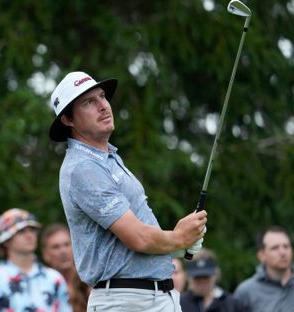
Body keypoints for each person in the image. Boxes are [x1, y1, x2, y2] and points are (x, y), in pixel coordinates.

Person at [49, 71, 208, 311]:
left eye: (102, 97)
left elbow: (136, 240)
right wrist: (179, 237)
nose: (104, 106)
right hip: (128, 300)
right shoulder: (83, 167)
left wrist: (181, 243)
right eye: (89, 102)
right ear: (68, 120)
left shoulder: (106, 158)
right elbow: (139, 238)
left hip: (154, 296)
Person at [0, 208, 71, 312]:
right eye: (21, 232)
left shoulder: (54, 278)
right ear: (6, 241)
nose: (29, 235)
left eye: (32, 230)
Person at [234, 225, 294, 312]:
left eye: (286, 246)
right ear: (261, 255)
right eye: (275, 248)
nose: (282, 252)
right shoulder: (246, 292)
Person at [41, 223, 90, 312]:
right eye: (56, 247)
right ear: (45, 254)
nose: (63, 251)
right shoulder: (40, 285)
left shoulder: (89, 280)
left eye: (67, 244)